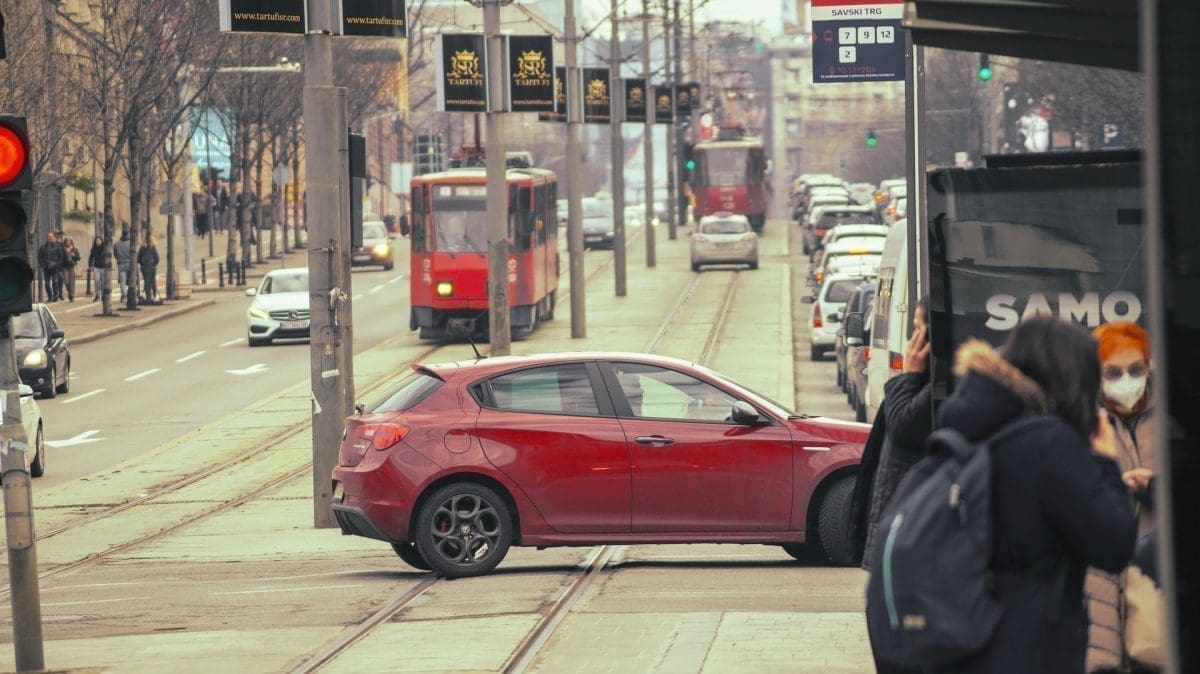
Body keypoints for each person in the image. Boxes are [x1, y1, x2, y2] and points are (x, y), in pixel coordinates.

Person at [926, 317, 1136, 674]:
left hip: (969, 634)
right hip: (1030, 642)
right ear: (1070, 379)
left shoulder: (974, 425)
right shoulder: (1048, 443)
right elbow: (1113, 543)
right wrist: (1105, 460)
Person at [1086, 321, 1160, 674]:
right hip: (1102, 586)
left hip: (1161, 588)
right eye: (1113, 372)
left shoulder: (1170, 420)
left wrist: (1157, 489)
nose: (1127, 381)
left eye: (1135, 369)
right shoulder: (1083, 426)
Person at [37, 232, 66, 301]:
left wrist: (58, 264)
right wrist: (42, 265)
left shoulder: (58, 246)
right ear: (47, 238)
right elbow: (39, 257)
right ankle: (50, 296)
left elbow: (61, 257)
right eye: (49, 237)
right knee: (47, 283)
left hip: (55, 267)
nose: (50, 238)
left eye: (52, 237)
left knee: (55, 281)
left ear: (54, 238)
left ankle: (56, 295)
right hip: (46, 267)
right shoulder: (43, 247)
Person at [137, 234, 160, 302]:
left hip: (144, 267)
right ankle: (154, 296)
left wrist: (142, 264)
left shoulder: (142, 247)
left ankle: (148, 296)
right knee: (153, 281)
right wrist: (154, 264)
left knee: (146, 281)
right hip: (152, 267)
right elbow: (157, 258)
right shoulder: (153, 247)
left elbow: (138, 258)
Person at [113, 231, 133, 302]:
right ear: (128, 234)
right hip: (130, 264)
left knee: (122, 281)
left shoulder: (116, 244)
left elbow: (115, 254)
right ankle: (131, 294)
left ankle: (124, 296)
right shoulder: (131, 243)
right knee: (131, 280)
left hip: (121, 264)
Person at [87, 235, 106, 302]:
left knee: (103, 282)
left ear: (101, 241)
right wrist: (90, 266)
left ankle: (103, 295)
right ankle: (97, 295)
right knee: (97, 281)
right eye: (96, 240)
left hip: (104, 267)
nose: (98, 242)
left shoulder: (105, 248)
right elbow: (91, 258)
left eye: (99, 240)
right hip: (96, 267)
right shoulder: (93, 249)